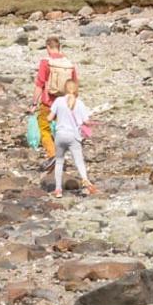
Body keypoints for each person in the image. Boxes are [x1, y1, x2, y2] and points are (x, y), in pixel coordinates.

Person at [33, 37, 77, 165]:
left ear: (48, 47)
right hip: (64, 103)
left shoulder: (46, 62)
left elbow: (39, 84)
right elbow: (74, 85)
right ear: (59, 47)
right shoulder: (69, 64)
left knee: (44, 129)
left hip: (48, 103)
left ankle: (53, 155)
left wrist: (34, 103)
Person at [49, 75, 96, 196]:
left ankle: (58, 189)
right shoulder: (80, 103)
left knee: (59, 162)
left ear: (64, 89)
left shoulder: (58, 101)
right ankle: (86, 180)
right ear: (76, 90)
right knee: (79, 161)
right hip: (73, 136)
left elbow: (49, 118)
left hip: (60, 135)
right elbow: (85, 121)